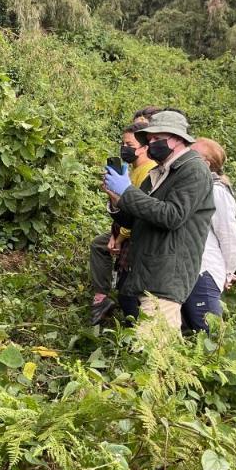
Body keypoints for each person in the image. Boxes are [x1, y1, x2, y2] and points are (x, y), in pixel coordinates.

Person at [103, 109, 215, 333]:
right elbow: (136, 218)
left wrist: (127, 193)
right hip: (149, 268)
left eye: (158, 138)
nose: (152, 143)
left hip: (167, 273)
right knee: (158, 350)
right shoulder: (159, 172)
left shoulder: (194, 170)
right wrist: (116, 200)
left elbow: (172, 216)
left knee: (152, 350)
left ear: (177, 139)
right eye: (150, 139)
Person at [89, 108, 161, 324]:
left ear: (145, 147)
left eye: (130, 146)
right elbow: (125, 208)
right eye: (123, 144)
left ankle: (126, 322)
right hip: (126, 230)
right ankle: (104, 300)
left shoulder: (149, 171)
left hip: (137, 237)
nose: (124, 149)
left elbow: (139, 210)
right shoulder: (133, 170)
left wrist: (119, 238)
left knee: (128, 292)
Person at [182, 138, 236, 334]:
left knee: (210, 337)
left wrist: (229, 271)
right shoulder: (193, 187)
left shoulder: (216, 191)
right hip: (188, 269)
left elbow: (229, 236)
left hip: (205, 271)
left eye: (193, 154)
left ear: (206, 164)